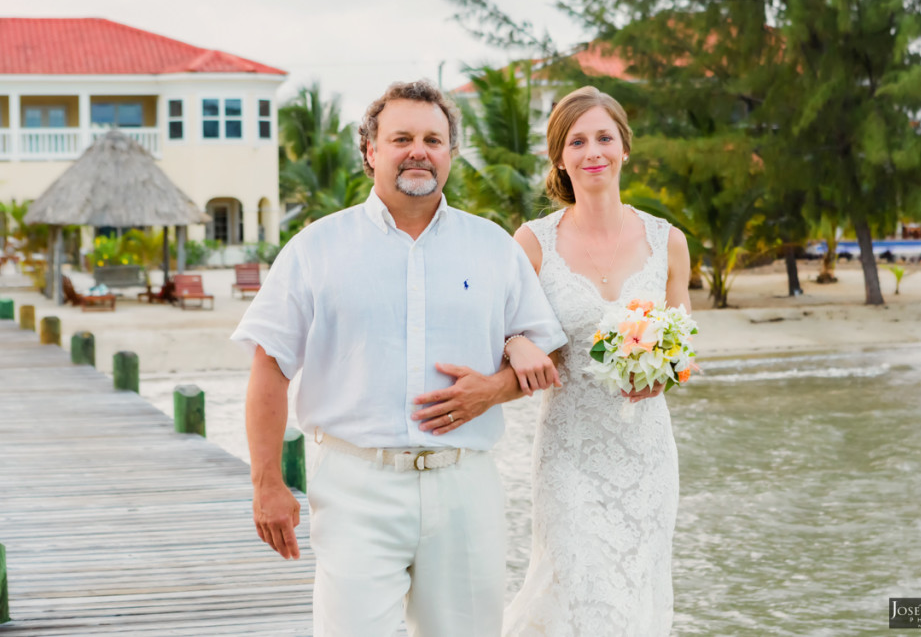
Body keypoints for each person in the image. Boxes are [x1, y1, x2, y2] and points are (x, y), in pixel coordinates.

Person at [231, 80, 566, 637]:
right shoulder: (316, 249)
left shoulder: (494, 248)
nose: (419, 150)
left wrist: (494, 388)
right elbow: (270, 366)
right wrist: (267, 484)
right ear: (371, 150)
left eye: (433, 139)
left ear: (451, 153)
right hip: (355, 484)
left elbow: (543, 350)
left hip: (465, 488)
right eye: (401, 137)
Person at [502, 86, 692, 636]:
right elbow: (500, 328)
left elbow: (683, 345)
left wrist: (663, 373)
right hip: (569, 452)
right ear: (560, 157)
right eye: (577, 141)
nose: (593, 152)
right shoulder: (532, 242)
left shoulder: (667, 240)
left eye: (604, 138)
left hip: (648, 452)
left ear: (624, 147)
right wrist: (517, 343)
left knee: (636, 591)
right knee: (579, 587)